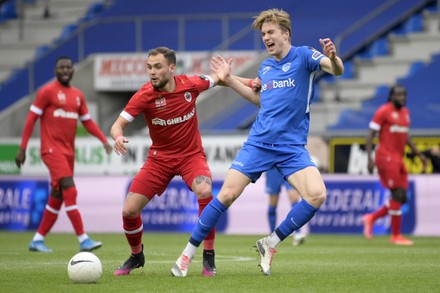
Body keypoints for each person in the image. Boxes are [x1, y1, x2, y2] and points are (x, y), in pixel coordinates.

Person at [171, 8, 344, 277]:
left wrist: (333, 58)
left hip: (291, 148)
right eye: (263, 34)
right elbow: (259, 98)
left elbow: (336, 70)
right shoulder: (266, 67)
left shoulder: (304, 56)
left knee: (317, 195)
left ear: (285, 34)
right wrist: (226, 79)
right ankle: (186, 256)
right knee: (226, 195)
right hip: (259, 144)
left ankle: (270, 243)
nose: (266, 37)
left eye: (271, 32)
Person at [110, 46, 255, 277]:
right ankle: (137, 255)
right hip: (159, 160)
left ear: (171, 67)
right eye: (149, 67)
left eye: (157, 67)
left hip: (191, 156)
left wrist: (251, 83)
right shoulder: (144, 95)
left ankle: (209, 257)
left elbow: (222, 79)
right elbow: (117, 125)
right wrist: (117, 137)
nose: (152, 72)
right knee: (129, 211)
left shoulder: (191, 84)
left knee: (205, 190)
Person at [15, 56, 112, 253]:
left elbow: (87, 121)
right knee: (70, 190)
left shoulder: (77, 95)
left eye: (68, 67)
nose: (65, 70)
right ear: (55, 70)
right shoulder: (47, 92)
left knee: (57, 196)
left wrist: (103, 140)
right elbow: (31, 119)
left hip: (68, 153)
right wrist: (22, 148)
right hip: (51, 150)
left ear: (73, 70)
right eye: (61, 67)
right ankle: (83, 238)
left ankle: (38, 239)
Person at [362, 84, 427, 245]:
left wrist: (419, 154)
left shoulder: (406, 113)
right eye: (398, 95)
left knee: (402, 197)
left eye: (404, 95)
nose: (402, 98)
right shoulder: (383, 111)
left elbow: (406, 136)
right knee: (398, 194)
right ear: (391, 97)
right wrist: (369, 158)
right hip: (386, 158)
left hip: (399, 159)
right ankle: (396, 236)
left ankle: (371, 218)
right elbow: (370, 135)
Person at [265, 167, 308, 246]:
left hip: (287, 166)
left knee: (294, 199)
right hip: (273, 169)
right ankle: (272, 237)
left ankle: (298, 234)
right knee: (272, 205)